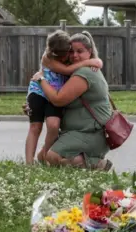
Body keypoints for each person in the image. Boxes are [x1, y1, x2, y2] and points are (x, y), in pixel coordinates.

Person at [30, 31, 113, 171]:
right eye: (71, 51)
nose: (74, 56)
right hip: (75, 132)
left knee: (51, 157)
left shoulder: (85, 73)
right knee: (41, 158)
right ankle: (83, 159)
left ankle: (95, 164)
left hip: (92, 133)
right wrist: (34, 104)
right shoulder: (75, 71)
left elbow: (57, 100)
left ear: (89, 52)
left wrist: (40, 79)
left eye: (80, 51)